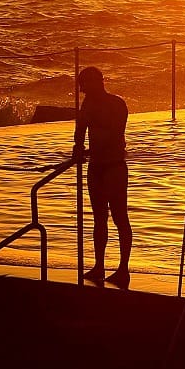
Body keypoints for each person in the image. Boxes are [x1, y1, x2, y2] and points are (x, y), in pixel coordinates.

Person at [74, 66, 132, 287]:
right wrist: (78, 148)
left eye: (86, 86)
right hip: (96, 167)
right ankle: (99, 265)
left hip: (114, 167)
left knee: (119, 217)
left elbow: (114, 133)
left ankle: (123, 268)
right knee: (99, 218)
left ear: (98, 82)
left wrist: (92, 148)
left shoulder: (117, 104)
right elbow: (80, 130)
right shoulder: (87, 103)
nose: (83, 92)